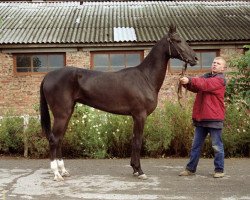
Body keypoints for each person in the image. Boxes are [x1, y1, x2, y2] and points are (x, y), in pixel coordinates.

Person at [179, 56, 227, 178]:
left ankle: (219, 170)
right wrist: (185, 83)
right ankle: (190, 169)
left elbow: (205, 85)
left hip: (214, 118)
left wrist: (189, 79)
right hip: (201, 118)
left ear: (223, 68)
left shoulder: (219, 80)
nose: (214, 64)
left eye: (218, 63)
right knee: (195, 146)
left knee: (217, 146)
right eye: (213, 62)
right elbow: (196, 86)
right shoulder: (206, 76)